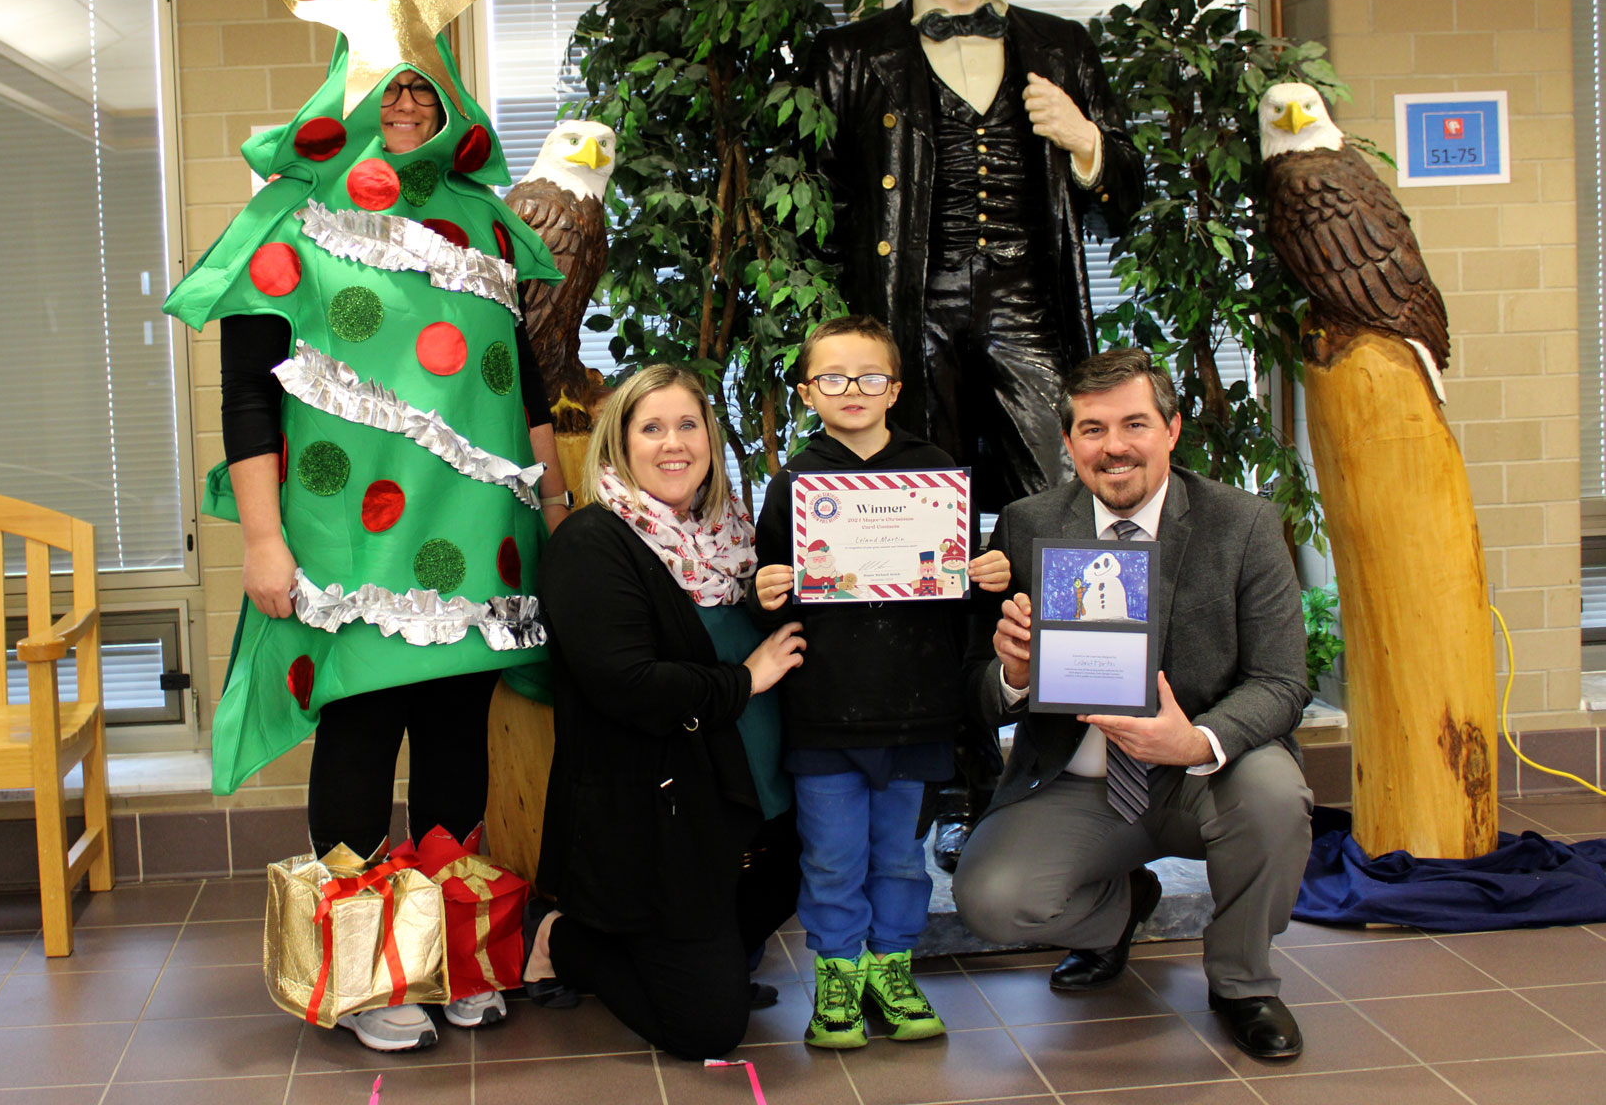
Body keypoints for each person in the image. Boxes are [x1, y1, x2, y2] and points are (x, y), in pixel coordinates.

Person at [163, 0, 569, 1052]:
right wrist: (261, 536)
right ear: (344, 94)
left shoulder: (483, 224)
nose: (402, 104)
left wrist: (553, 498)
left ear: (446, 104)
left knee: (454, 748)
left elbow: (521, 377)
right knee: (357, 738)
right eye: (384, 85)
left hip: (477, 538)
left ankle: (444, 957)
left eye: (419, 88)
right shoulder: (292, 216)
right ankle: (361, 976)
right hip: (348, 538)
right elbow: (247, 388)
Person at [950, 349, 1314, 1061]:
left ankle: (1243, 982)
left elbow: (1282, 682)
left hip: (1203, 777)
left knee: (1276, 795)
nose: (1113, 446)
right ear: (1069, 443)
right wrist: (1014, 673)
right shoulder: (1025, 526)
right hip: (1075, 782)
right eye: (1092, 429)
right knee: (989, 899)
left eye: (1134, 424)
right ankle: (1122, 911)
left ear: (1172, 430)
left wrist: (1196, 741)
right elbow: (978, 688)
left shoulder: (1243, 523)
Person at [803, 0, 1142, 515]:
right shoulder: (850, 54)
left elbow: (1127, 203)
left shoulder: (1064, 45)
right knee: (913, 509)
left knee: (1063, 501)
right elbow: (817, 208)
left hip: (1029, 305)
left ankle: (1057, 625)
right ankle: (940, 627)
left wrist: (1085, 141)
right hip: (910, 310)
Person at [527, 364, 807, 1061]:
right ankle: (563, 938)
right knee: (707, 1028)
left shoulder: (731, 536)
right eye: (651, 428)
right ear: (620, 445)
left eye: (688, 425)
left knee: (801, 875)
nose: (673, 443)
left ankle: (690, 950)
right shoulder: (592, 543)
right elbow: (629, 684)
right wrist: (745, 679)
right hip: (659, 822)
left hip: (750, 806)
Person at [751, 315, 1012, 1050]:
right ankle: (837, 972)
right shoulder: (795, 483)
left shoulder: (933, 469)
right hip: (825, 712)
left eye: (870, 377)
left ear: (894, 387)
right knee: (832, 856)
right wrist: (763, 586)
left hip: (917, 709)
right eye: (832, 377)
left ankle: (892, 968)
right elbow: (772, 586)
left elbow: (959, 588)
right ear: (808, 390)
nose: (852, 390)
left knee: (900, 857)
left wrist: (985, 576)